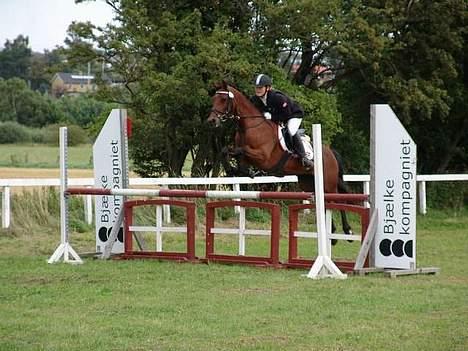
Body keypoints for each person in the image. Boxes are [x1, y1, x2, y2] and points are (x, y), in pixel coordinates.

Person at [250, 74, 313, 169]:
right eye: (256, 87)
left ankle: (304, 157)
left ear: (267, 88)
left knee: (290, 130)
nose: (257, 90)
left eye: (260, 87)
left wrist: (271, 117)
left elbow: (286, 114)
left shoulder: (277, 97)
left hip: (293, 115)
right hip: (279, 117)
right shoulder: (255, 99)